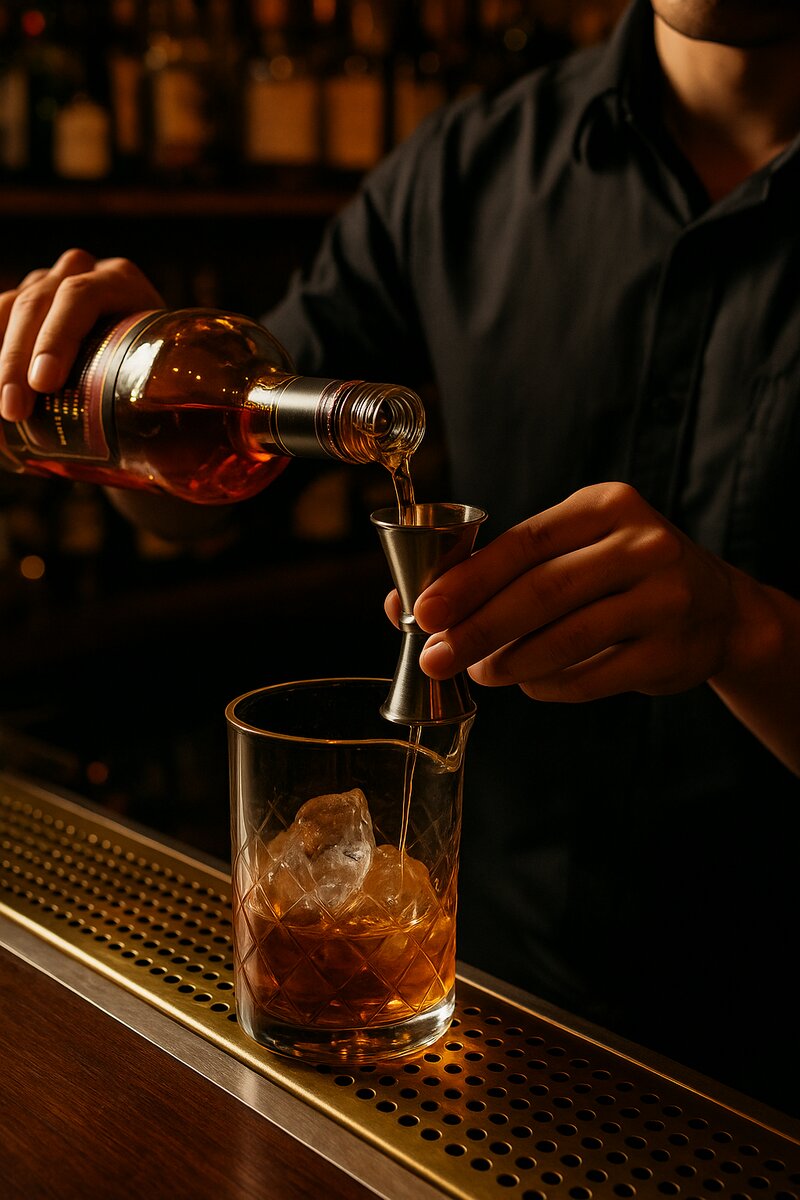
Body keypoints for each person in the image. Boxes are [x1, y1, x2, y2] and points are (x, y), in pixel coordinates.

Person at [1, 0, 799, 1117]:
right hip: (490, 1012)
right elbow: (209, 496)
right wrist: (116, 388)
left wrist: (749, 633)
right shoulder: (463, 170)